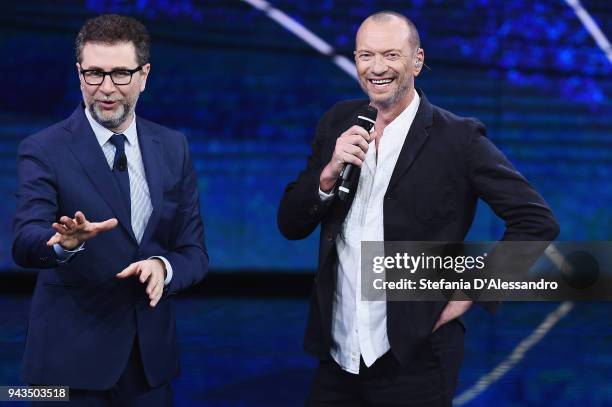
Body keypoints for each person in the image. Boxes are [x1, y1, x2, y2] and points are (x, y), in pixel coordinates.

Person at [277, 11, 559, 406]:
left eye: (391, 55)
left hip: (418, 356)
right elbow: (290, 224)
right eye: (365, 55)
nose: (377, 68)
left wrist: (471, 293)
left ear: (417, 61)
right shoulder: (338, 122)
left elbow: (536, 222)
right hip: (338, 355)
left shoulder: (458, 138)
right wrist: (327, 176)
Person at [12, 14, 208, 406]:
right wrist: (62, 244)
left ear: (144, 75)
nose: (106, 89)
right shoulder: (44, 149)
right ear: (78, 73)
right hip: (68, 366)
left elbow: (194, 253)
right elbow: (25, 239)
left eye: (120, 74)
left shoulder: (172, 147)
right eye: (94, 74)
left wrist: (162, 268)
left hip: (148, 366)